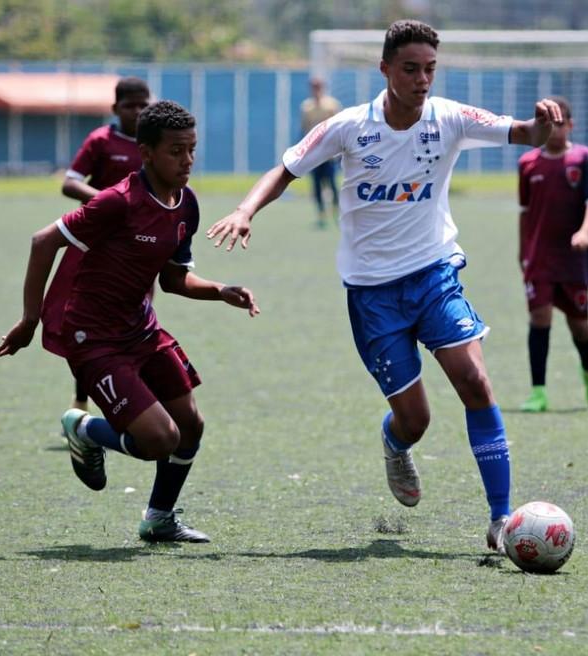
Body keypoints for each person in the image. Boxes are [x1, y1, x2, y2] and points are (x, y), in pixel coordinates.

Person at [206, 20, 562, 555]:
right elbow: (285, 168)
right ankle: (395, 443)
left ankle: (500, 518)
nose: (423, 80)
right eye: (411, 69)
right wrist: (244, 209)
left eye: (430, 70)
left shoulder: (451, 118)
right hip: (372, 296)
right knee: (415, 420)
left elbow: (524, 134)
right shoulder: (349, 126)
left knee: (475, 382)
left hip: (434, 275)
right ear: (385, 71)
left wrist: (541, 124)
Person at [0, 101, 260, 543]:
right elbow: (43, 242)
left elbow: (173, 280)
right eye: (176, 151)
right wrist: (30, 319)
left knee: (190, 427)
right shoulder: (118, 202)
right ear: (147, 153)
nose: (187, 161)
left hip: (141, 329)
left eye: (192, 150)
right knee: (160, 439)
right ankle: (83, 430)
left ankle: (159, 518)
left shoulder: (185, 204)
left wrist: (220, 290)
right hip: (92, 338)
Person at [48, 76, 151, 412]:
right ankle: (81, 401)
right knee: (91, 325)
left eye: (142, 105)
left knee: (138, 320)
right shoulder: (102, 140)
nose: (137, 111)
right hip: (98, 246)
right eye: (129, 105)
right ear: (115, 109)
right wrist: (111, 202)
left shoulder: (154, 143)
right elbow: (70, 183)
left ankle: (136, 399)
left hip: (140, 250)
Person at [516, 96, 588, 413]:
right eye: (548, 123)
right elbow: (525, 212)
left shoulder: (583, 158)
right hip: (539, 258)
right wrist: (522, 250)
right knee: (539, 317)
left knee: (579, 325)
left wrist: (585, 231)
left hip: (572, 259)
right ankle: (538, 392)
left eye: (560, 123)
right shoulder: (527, 164)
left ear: (570, 125)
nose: (555, 129)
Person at [299, 78, 341, 228]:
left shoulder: (331, 105)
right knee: (316, 185)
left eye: (318, 87)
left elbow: (338, 127)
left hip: (329, 152)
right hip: (313, 152)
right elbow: (304, 129)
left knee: (331, 183)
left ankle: (337, 213)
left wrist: (338, 149)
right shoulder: (306, 106)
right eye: (313, 87)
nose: (316, 89)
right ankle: (321, 215)